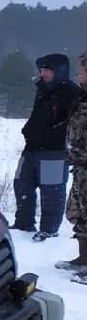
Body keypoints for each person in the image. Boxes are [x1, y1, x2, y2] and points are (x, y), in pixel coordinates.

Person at [13, 53, 81, 240]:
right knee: (21, 184)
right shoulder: (42, 88)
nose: (43, 73)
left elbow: (75, 123)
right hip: (32, 148)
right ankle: (23, 224)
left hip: (55, 151)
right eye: (41, 70)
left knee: (52, 192)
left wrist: (58, 134)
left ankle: (49, 230)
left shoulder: (72, 92)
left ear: (59, 71)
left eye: (47, 70)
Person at [56, 53, 87, 280]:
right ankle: (83, 258)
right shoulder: (81, 96)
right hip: (79, 165)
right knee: (78, 212)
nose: (80, 74)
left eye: (83, 69)